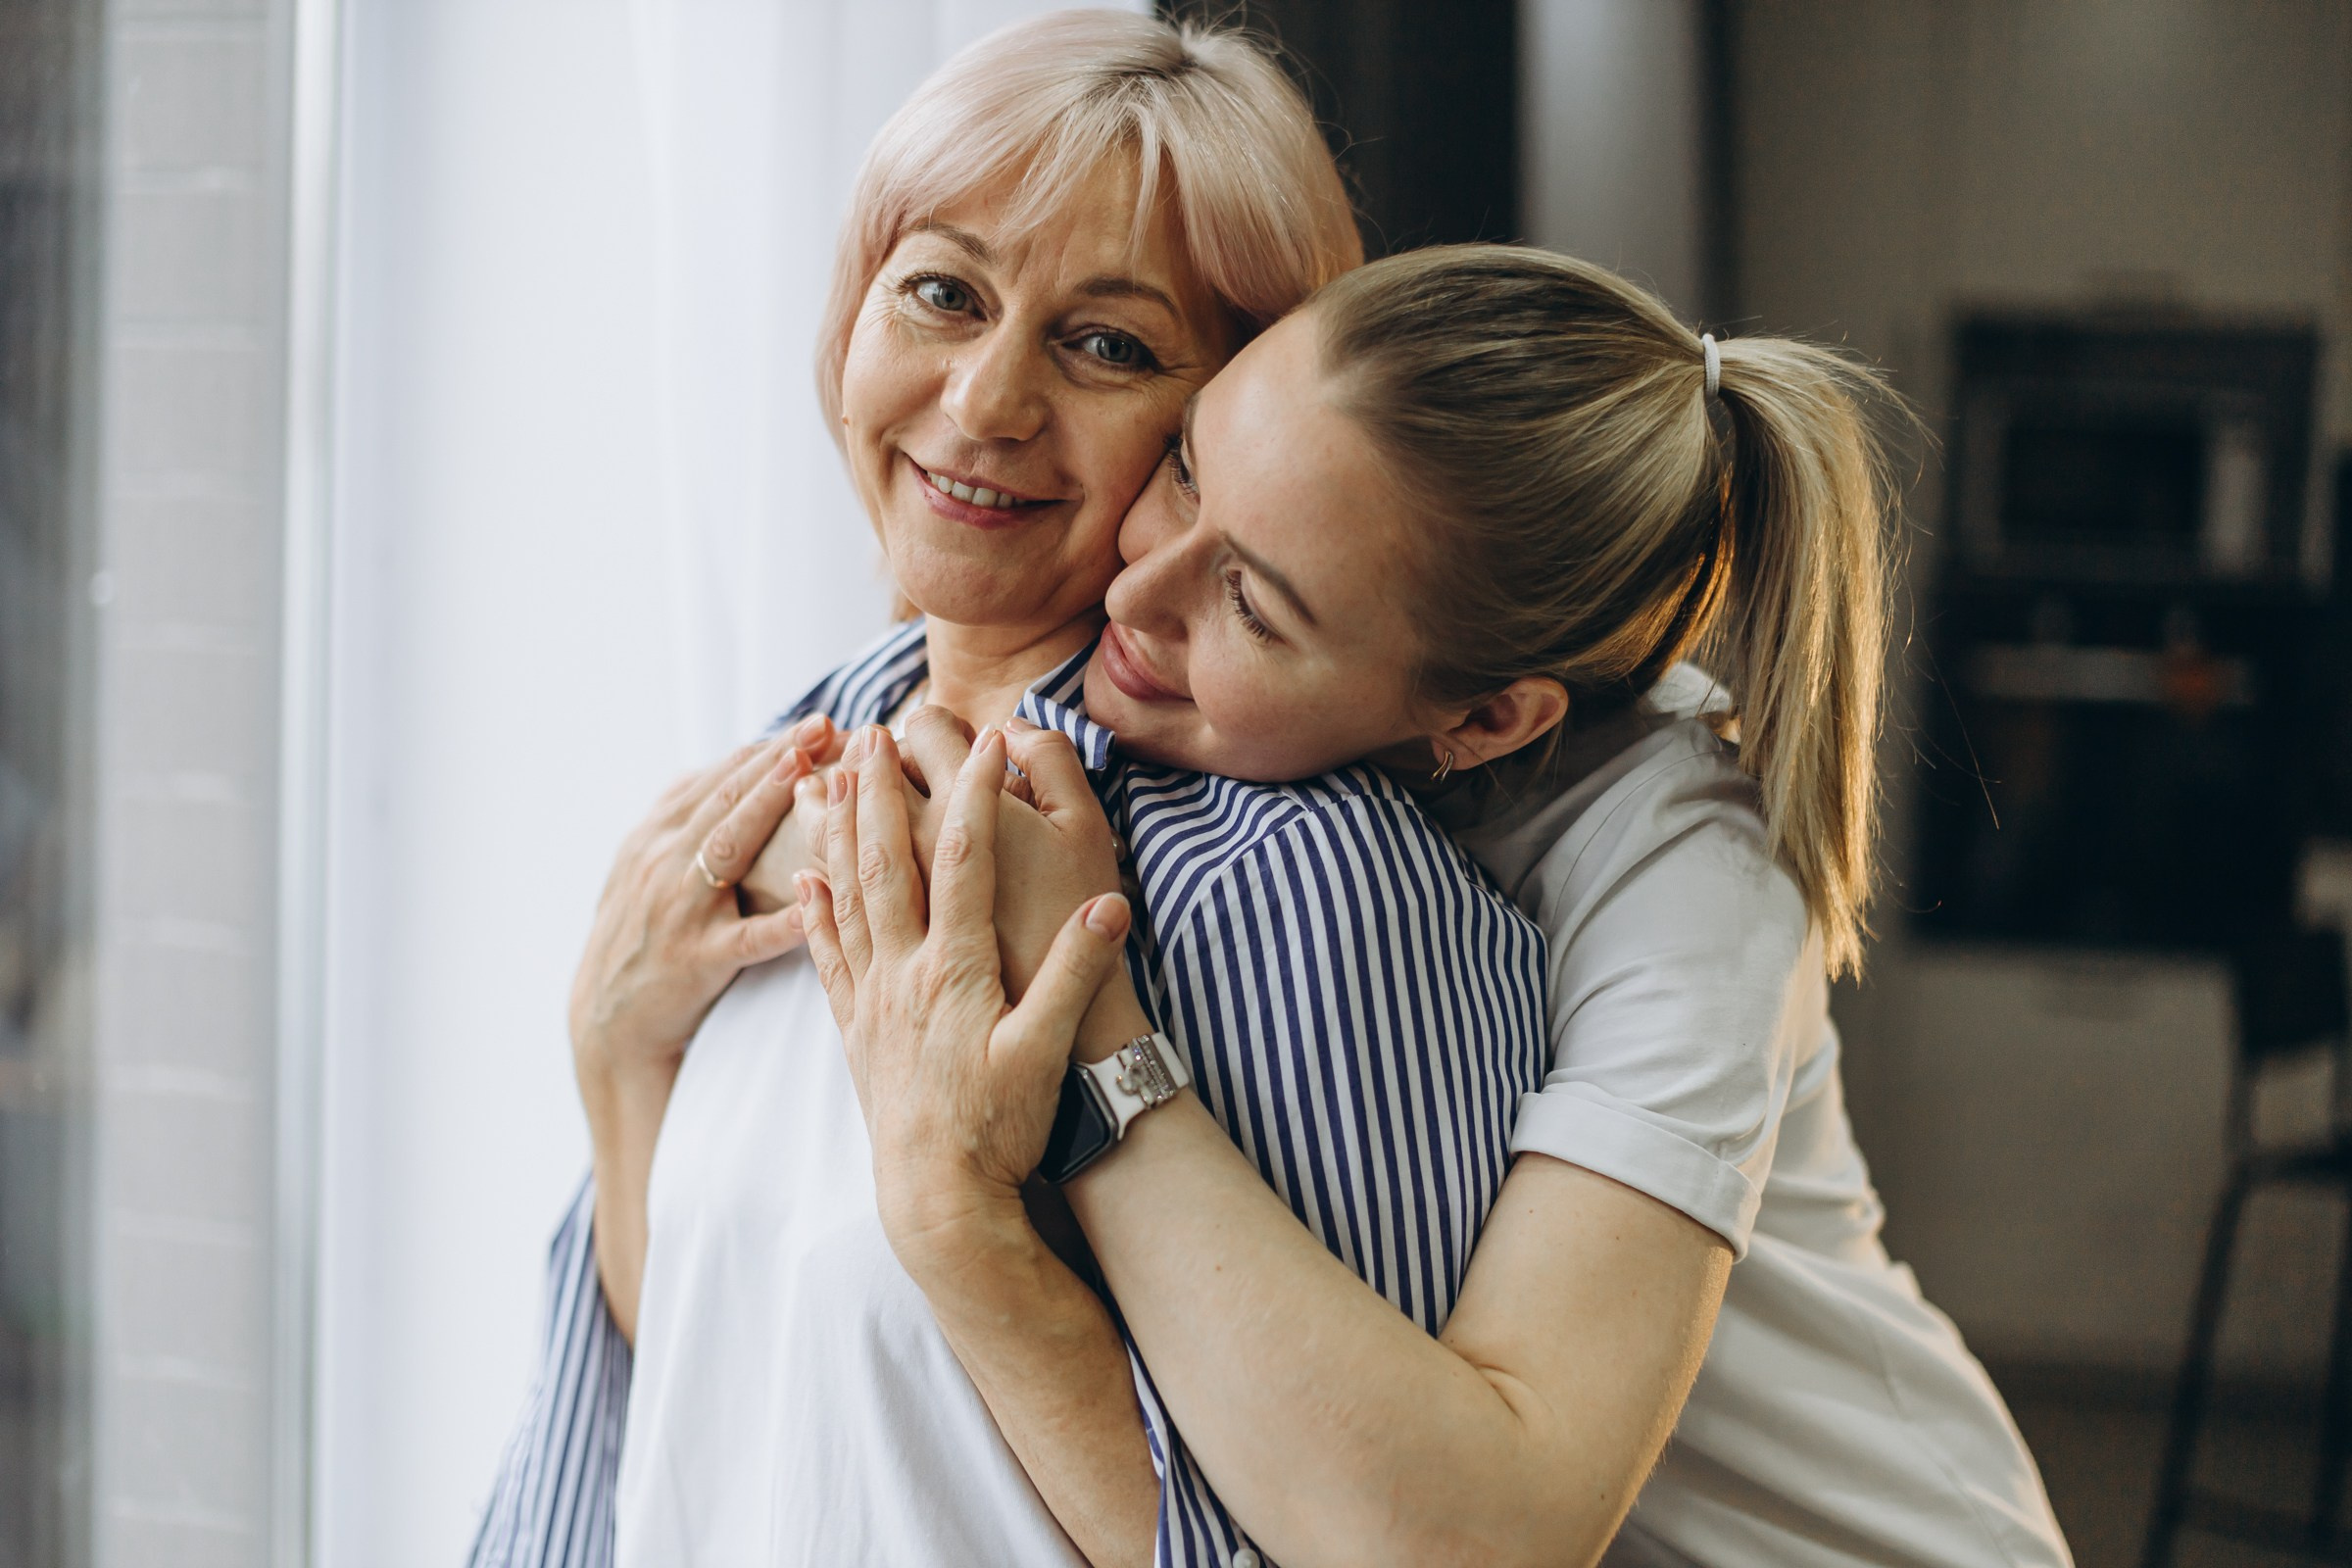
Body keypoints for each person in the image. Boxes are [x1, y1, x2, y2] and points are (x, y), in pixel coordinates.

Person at [798, 246, 2076, 1568]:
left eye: (1246, 598)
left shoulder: (1696, 870)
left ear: (1483, 723)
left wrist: (1096, 1015)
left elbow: (1478, 1539)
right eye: (1186, 461)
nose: (1135, 587)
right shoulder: (1257, 669)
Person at [465, 12, 1373, 1566]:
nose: (985, 403)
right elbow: (683, 1405)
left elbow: (1331, 1540)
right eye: (943, 293)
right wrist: (619, 1073)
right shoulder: (776, 777)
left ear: (1239, 428)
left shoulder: (1280, 881)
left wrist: (965, 1227)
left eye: (1105, 343)